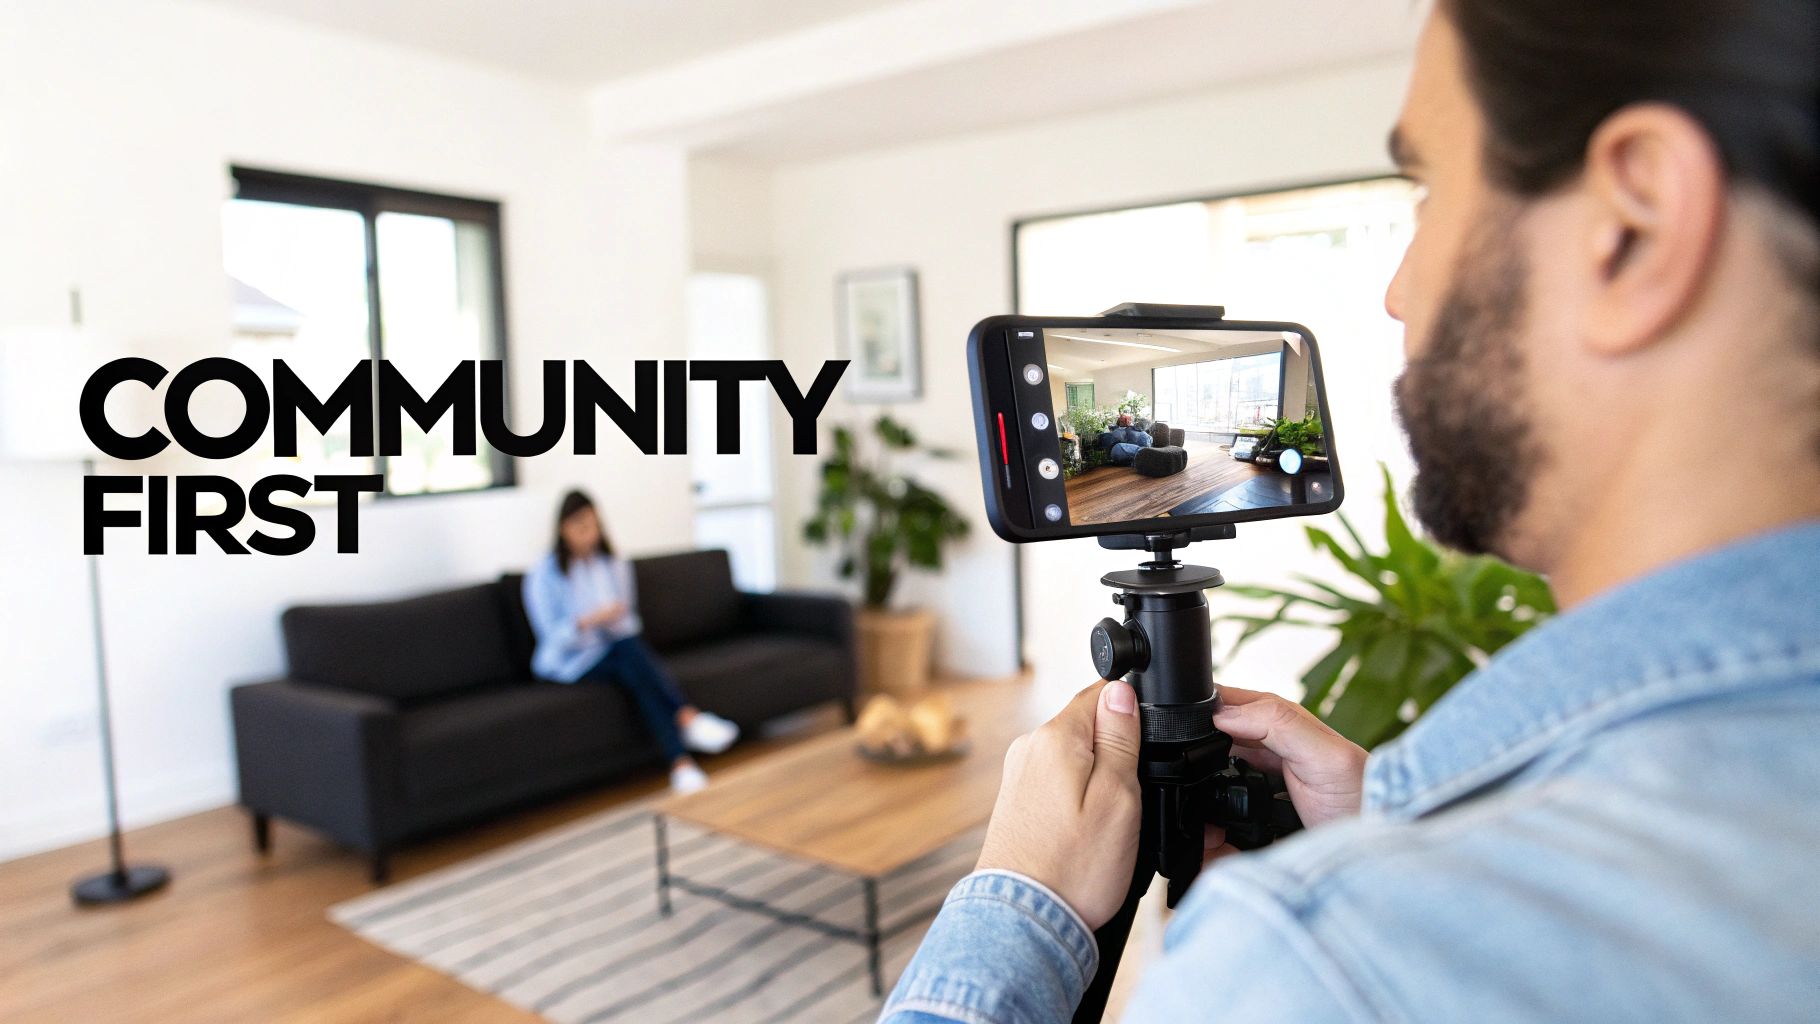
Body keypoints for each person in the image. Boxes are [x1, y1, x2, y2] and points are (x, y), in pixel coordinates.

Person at [884, 0, 1819, 1019]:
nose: (1395, 292)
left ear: (1631, 225)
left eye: (1423, 191)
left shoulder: (1325, 962)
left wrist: (1022, 901)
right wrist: (1387, 823)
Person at [523, 489, 740, 794]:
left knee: (633, 664)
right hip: (570, 661)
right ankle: (686, 721)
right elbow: (552, 638)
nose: (590, 535)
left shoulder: (610, 563)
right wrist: (587, 621)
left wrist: (612, 617)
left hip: (614, 647)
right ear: (564, 528)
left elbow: (627, 621)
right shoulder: (544, 575)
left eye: (594, 526)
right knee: (632, 660)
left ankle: (682, 762)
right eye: (582, 527)